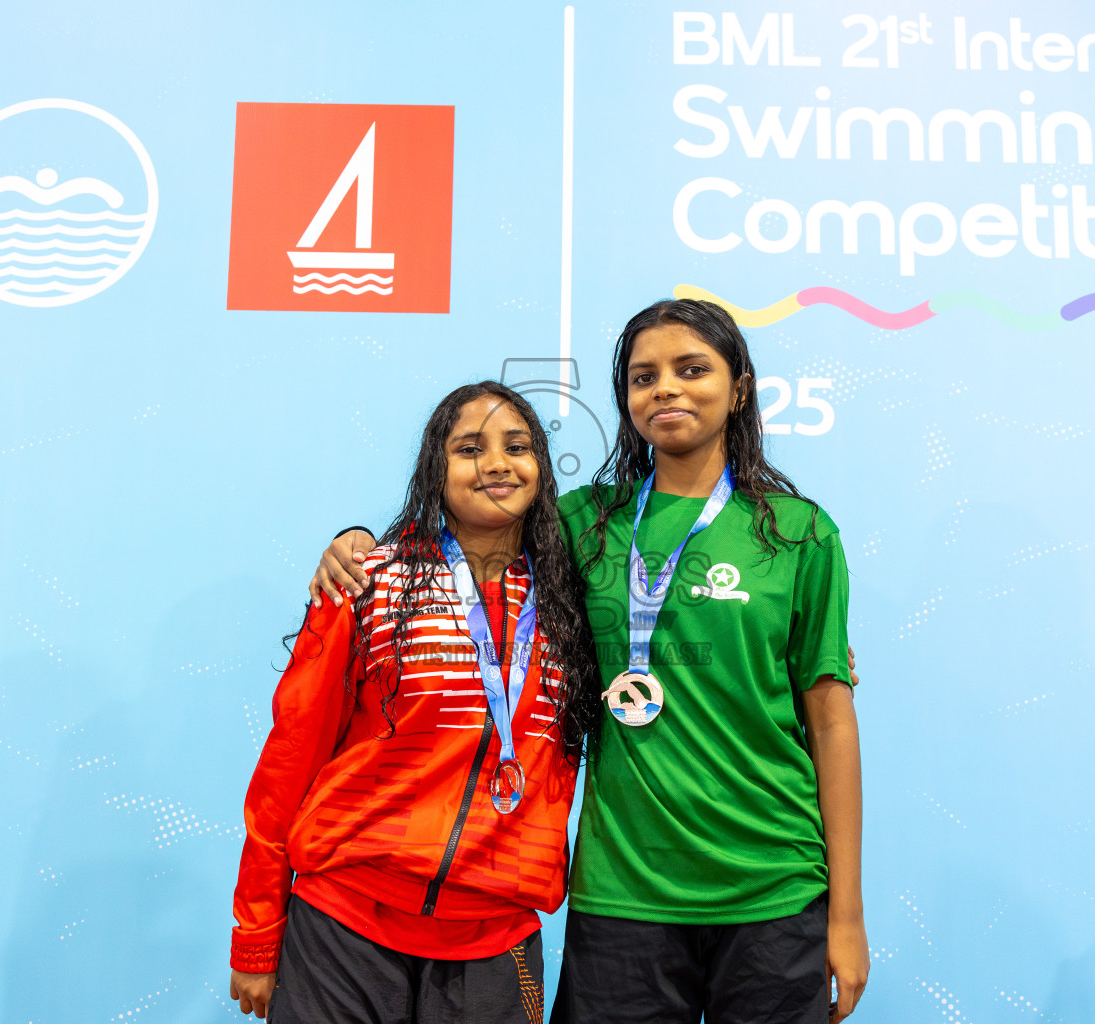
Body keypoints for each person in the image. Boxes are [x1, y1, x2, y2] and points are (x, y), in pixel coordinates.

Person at [313, 298, 868, 1024]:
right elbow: (469, 543)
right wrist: (358, 540)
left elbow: (830, 723)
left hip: (775, 887)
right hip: (621, 893)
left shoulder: (800, 535)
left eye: (691, 369)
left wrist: (847, 915)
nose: (665, 388)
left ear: (738, 390)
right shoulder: (581, 524)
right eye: (644, 377)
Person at [229, 381, 601, 1023]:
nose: (495, 464)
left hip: (496, 941)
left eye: (518, 446)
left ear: (541, 467)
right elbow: (287, 763)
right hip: (344, 925)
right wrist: (258, 936)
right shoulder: (368, 583)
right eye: (468, 449)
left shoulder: (576, 607)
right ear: (435, 470)